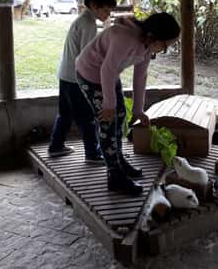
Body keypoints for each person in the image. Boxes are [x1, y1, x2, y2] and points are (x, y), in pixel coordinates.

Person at [76, 12, 180, 196]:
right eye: (164, 46)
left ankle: (118, 159)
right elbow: (106, 69)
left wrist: (139, 110)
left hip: (109, 75)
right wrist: (108, 105)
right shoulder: (124, 38)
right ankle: (114, 176)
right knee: (108, 121)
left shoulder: (147, 45)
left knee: (121, 115)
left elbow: (140, 76)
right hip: (90, 75)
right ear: (153, 36)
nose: (163, 50)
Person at [48, 0, 116, 163]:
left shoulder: (82, 19)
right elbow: (87, 57)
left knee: (65, 113)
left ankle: (56, 146)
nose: (108, 15)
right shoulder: (89, 24)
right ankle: (92, 154)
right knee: (87, 117)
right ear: (94, 5)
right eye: (106, 10)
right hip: (76, 78)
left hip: (65, 74)